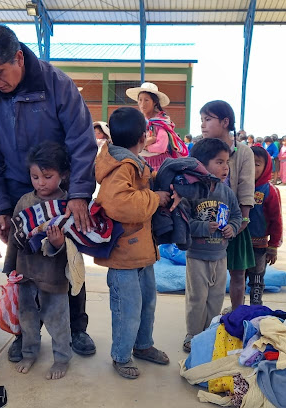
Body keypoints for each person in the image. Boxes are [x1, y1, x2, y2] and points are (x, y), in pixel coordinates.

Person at [0, 22, 98, 359]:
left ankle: (77, 328)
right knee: (23, 265)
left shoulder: (58, 85)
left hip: (62, 192)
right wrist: (0, 207)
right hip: (16, 194)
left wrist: (79, 193)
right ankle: (27, 331)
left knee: (67, 261)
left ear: (18, 57)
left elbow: (82, 142)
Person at [95, 107, 175, 379]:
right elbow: (120, 204)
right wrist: (156, 198)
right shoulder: (122, 166)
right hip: (124, 255)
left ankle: (142, 345)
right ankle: (121, 355)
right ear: (144, 137)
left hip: (141, 252)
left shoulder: (132, 162)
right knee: (127, 309)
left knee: (147, 303)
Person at [4, 142, 74, 379]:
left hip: (54, 276)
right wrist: (9, 268)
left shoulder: (68, 206)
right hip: (26, 273)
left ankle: (62, 358)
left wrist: (58, 244)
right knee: (27, 317)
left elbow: (75, 248)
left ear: (63, 175)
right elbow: (14, 237)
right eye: (35, 176)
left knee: (58, 318)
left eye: (47, 176)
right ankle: (29, 352)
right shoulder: (25, 201)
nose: (41, 183)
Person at [182, 138, 242, 352]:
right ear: (201, 164)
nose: (225, 167)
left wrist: (232, 228)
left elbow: (236, 216)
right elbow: (184, 221)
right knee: (197, 298)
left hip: (220, 255)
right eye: (219, 162)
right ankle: (193, 335)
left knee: (216, 298)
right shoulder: (191, 191)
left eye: (227, 162)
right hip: (197, 255)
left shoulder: (226, 192)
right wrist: (203, 227)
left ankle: (208, 333)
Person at [199, 101, 254, 310]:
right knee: (207, 271)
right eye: (202, 120)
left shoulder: (243, 152)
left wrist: (243, 220)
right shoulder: (200, 149)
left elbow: (246, 185)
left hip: (236, 221)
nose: (203, 125)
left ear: (225, 122)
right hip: (206, 221)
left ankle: (237, 311)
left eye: (208, 119)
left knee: (238, 271)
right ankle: (205, 315)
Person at [247, 146, 282, 306]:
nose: (252, 168)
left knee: (257, 278)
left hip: (259, 245)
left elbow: (277, 220)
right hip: (238, 243)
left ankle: (255, 307)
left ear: (266, 166)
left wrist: (273, 246)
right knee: (238, 277)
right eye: (248, 162)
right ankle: (237, 308)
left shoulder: (269, 190)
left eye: (257, 164)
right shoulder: (237, 186)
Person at [126, 82, 188, 172]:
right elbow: (131, 142)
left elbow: (161, 147)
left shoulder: (161, 122)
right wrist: (150, 140)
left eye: (146, 100)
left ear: (154, 102)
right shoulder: (136, 121)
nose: (142, 103)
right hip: (140, 162)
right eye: (140, 100)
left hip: (158, 164)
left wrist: (144, 146)